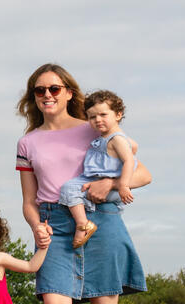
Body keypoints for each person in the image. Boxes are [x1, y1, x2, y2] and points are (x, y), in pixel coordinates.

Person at [16, 64, 152, 303]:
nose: (47, 95)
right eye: (40, 91)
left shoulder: (95, 127)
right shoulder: (27, 143)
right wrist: (37, 226)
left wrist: (110, 183)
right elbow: (29, 201)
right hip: (55, 228)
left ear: (69, 93)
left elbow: (143, 174)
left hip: (102, 220)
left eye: (54, 89)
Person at [59, 90, 139, 248]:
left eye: (103, 114)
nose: (98, 120)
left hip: (108, 186)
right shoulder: (108, 137)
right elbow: (134, 146)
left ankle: (83, 225)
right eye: (92, 117)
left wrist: (123, 185)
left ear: (118, 114)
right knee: (72, 188)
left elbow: (129, 160)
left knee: (69, 189)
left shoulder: (116, 139)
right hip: (95, 181)